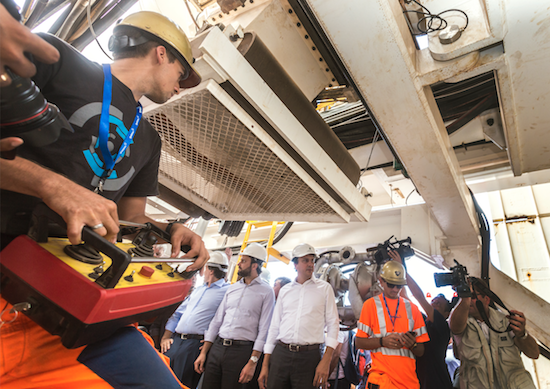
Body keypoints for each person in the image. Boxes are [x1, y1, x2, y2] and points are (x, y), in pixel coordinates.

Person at [1, 11, 208, 388]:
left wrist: (170, 229)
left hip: (71, 298)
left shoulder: (148, 137)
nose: (183, 86)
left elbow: (130, 217)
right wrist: (51, 186)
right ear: (162, 54)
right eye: (183, 74)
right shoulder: (58, 61)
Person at [258, 243, 340, 389]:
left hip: (309, 358)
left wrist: (326, 361)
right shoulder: (285, 291)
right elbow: (275, 326)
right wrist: (265, 364)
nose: (310, 264)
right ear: (295, 264)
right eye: (305, 260)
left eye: (312, 260)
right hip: (281, 354)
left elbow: (333, 325)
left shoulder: (325, 289)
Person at [194, 243, 275, 389]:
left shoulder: (266, 292)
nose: (239, 264)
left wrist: (253, 362)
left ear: (255, 265)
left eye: (243, 261)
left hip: (241, 352)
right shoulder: (232, 288)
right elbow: (217, 321)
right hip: (217, 348)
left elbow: (264, 330)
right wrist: (204, 352)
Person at [449, 278, 539, 389]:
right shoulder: (459, 322)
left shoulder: (506, 321)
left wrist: (522, 335)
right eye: (463, 297)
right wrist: (464, 297)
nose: (467, 300)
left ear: (486, 299)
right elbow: (455, 327)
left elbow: (534, 354)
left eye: (472, 296)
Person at [355, 260, 429, 389]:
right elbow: (359, 342)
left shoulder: (413, 309)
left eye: (399, 285)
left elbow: (421, 350)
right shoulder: (370, 306)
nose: (395, 289)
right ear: (381, 281)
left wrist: (413, 344)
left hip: (408, 383)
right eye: (391, 284)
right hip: (382, 380)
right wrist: (382, 341)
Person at [161, 252, 231, 388]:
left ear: (210, 270)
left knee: (182, 383)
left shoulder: (227, 291)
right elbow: (177, 315)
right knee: (162, 380)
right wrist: (165, 337)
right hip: (174, 342)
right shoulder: (199, 290)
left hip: (194, 346)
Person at [388, 251, 454, 389]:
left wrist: (402, 270)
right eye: (433, 302)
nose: (433, 304)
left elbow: (418, 296)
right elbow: (405, 297)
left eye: (438, 304)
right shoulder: (424, 322)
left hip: (438, 383)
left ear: (446, 313)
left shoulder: (442, 327)